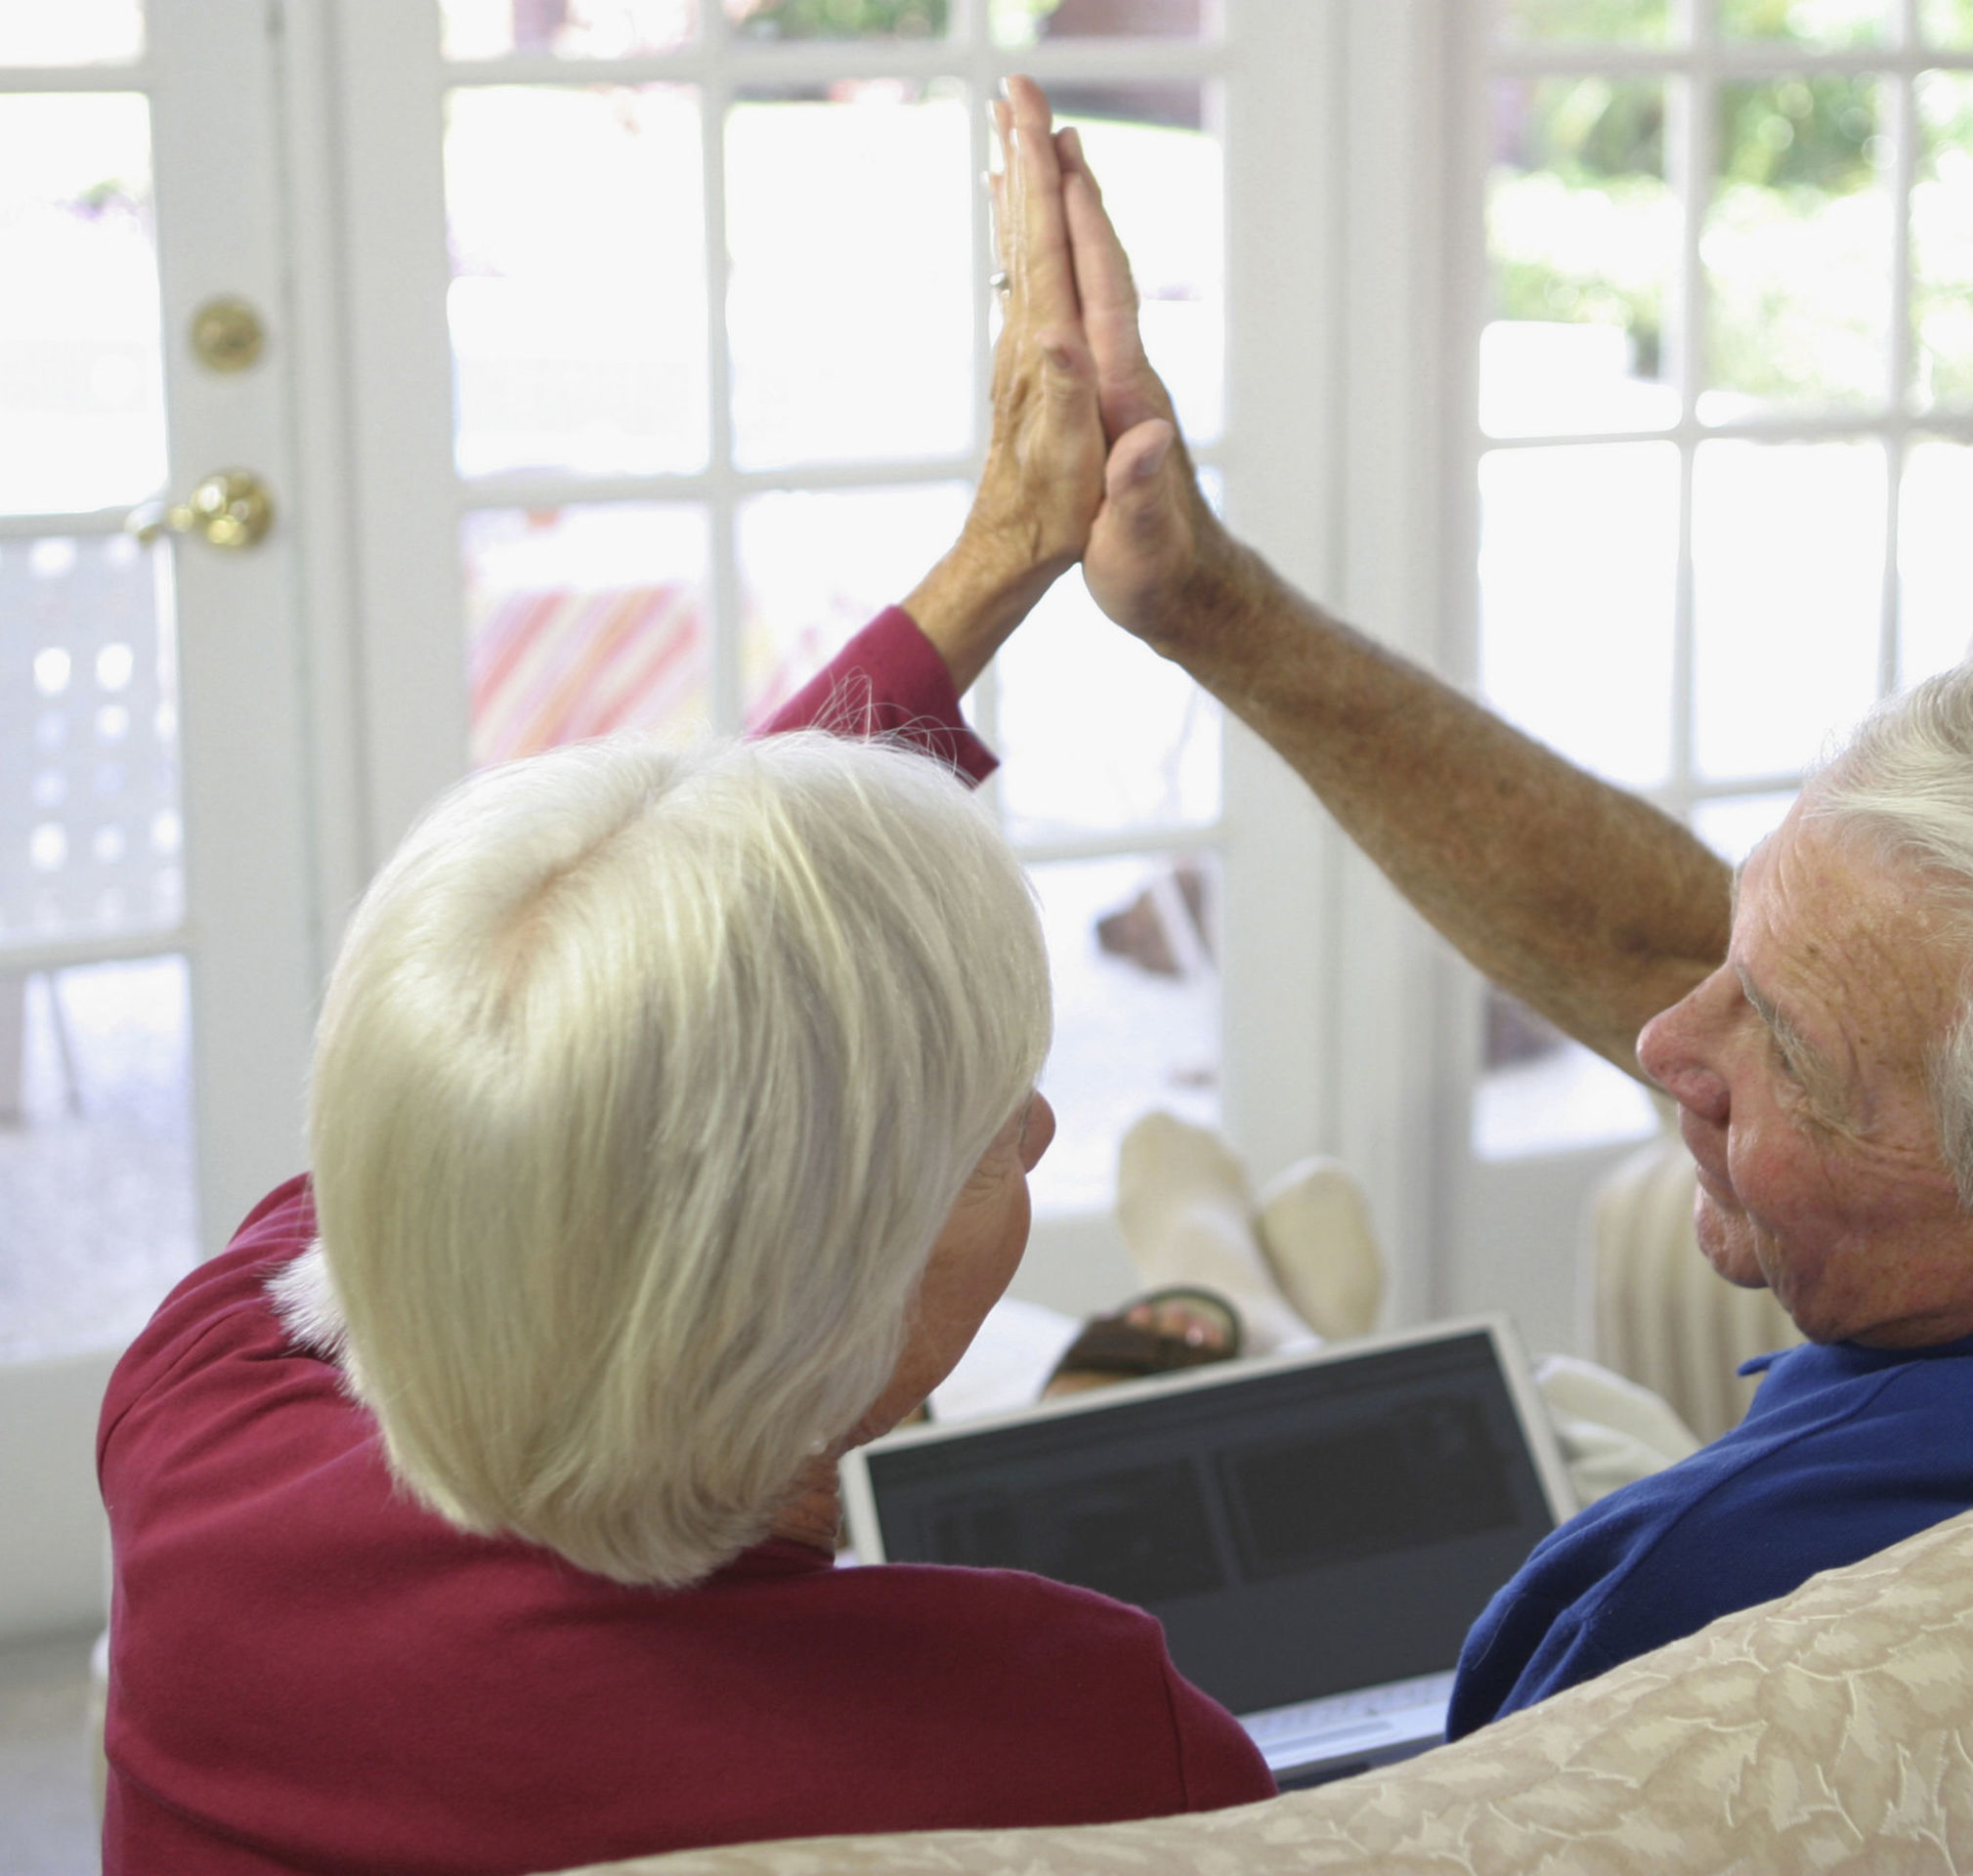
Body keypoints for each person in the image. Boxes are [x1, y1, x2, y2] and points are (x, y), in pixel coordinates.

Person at [1018, 120, 1973, 1735]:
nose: (1666, 1041)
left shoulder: (1683, 1619)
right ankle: (1256, 1292)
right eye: (1746, 952)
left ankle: (1234, 1305)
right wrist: (1202, 602)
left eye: (1785, 1047)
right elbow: (1697, 969)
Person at [94, 83, 1274, 1876]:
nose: (1036, 1124)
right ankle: (1234, 1292)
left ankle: (1229, 1287)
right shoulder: (1066, 1724)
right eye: (971, 1135)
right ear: (812, 1318)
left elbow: (565, 1028)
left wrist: (997, 561)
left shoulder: (205, 1424)